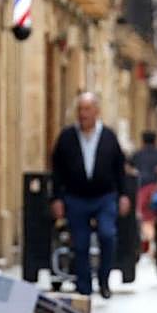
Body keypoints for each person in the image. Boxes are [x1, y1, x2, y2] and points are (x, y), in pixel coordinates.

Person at [49, 92, 133, 299]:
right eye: (80, 109)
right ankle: (84, 286)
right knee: (80, 243)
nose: (83, 114)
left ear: (96, 111)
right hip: (76, 197)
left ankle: (104, 280)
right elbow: (57, 170)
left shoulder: (109, 137)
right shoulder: (67, 137)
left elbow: (119, 169)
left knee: (107, 234)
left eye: (87, 109)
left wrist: (123, 195)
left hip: (104, 197)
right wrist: (57, 198)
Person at [131, 130, 157, 251]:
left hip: (143, 189)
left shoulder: (137, 155)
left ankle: (149, 243)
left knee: (146, 218)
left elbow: (131, 168)